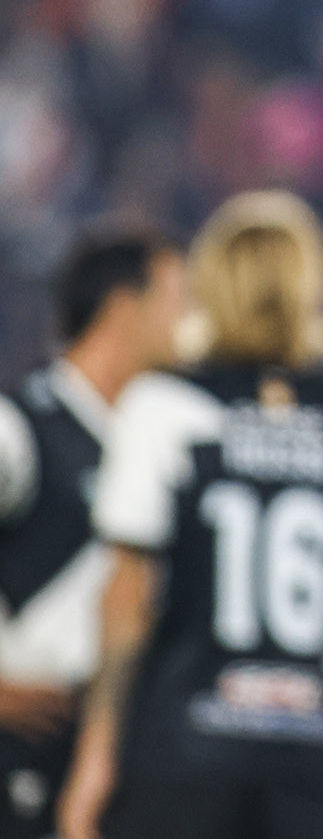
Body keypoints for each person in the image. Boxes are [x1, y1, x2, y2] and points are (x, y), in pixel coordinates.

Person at [57, 191, 323, 839]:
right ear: (313, 286)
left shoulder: (163, 407)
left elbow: (126, 600)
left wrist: (96, 754)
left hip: (177, 750)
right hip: (304, 752)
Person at [0, 233, 186, 839]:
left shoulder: (163, 445)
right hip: (21, 752)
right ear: (123, 308)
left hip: (118, 751)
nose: (190, 325)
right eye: (176, 301)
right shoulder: (20, 427)